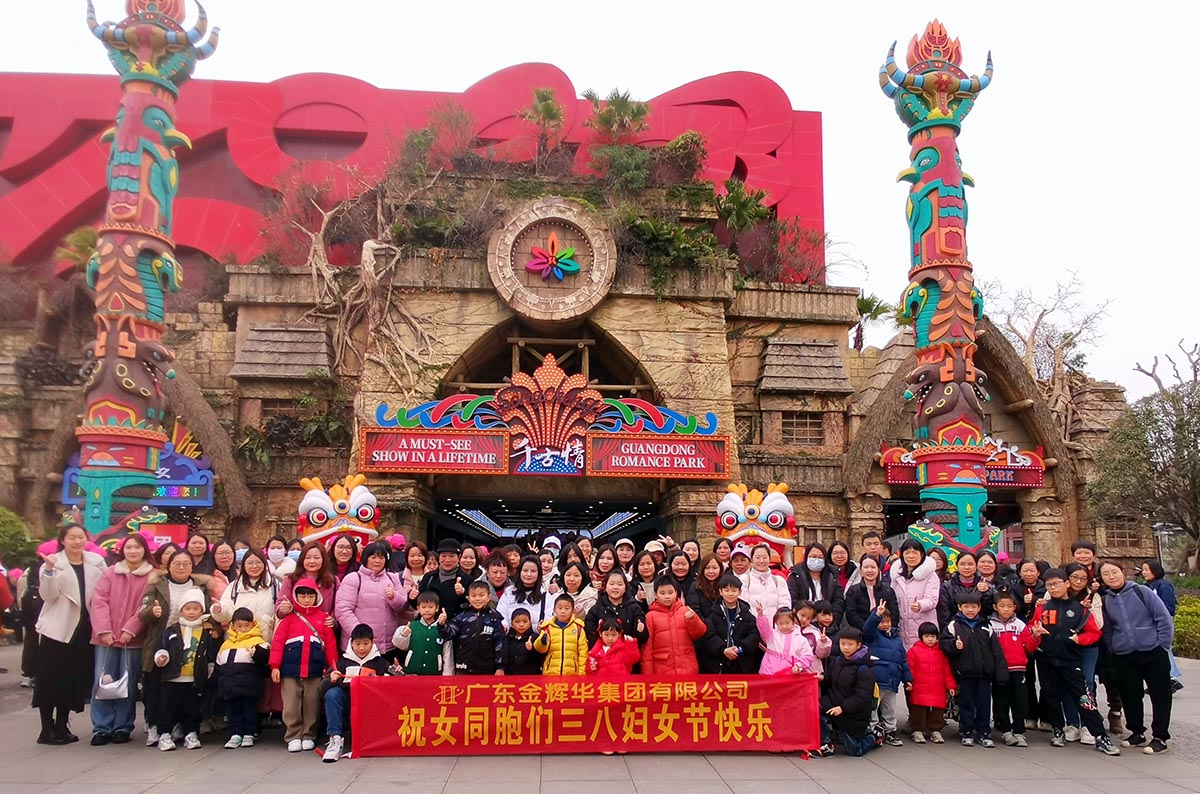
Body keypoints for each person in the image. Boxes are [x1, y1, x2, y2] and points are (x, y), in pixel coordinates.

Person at [1027, 568, 1120, 755]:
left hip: (1071, 660)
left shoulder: (1080, 609)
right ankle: (1058, 730)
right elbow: (1031, 629)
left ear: (1067, 584)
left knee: (1084, 697)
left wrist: (1080, 639)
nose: (1053, 588)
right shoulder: (1042, 608)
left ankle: (1100, 736)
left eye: (1056, 584)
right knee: (1051, 696)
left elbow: (1094, 633)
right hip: (1046, 660)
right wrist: (1035, 634)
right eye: (1049, 585)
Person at [34, 524, 107, 745]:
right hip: (57, 629)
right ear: (62, 540)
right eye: (72, 537)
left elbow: (103, 591)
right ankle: (47, 729)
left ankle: (61, 725)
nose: (77, 541)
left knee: (71, 680)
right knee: (50, 680)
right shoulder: (53, 562)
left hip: (83, 629)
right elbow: (48, 595)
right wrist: (49, 572)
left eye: (80, 537)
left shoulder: (96, 562)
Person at [138, 549, 214, 746]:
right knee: (156, 688)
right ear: (169, 566)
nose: (181, 567)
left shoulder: (200, 587)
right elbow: (142, 612)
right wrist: (152, 612)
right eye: (177, 563)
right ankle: (154, 725)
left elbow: (208, 613)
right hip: (162, 641)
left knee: (185, 689)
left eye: (186, 563)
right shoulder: (157, 585)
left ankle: (181, 727)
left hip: (191, 642)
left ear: (192, 566)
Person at [1099, 561, 1174, 754]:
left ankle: (1160, 736)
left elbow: (1163, 618)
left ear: (1123, 572)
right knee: (1130, 694)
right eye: (1106, 574)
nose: (1111, 576)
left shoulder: (1142, 591)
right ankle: (1137, 732)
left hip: (1152, 650)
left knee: (1160, 694)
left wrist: (1162, 645)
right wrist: (1114, 647)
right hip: (1124, 654)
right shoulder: (1106, 599)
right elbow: (1107, 629)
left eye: (1114, 572)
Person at [89, 533, 154, 745]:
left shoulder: (152, 576)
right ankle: (101, 727)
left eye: (137, 547)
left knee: (128, 682)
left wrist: (131, 629)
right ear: (122, 550)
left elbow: (146, 606)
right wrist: (104, 630)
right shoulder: (110, 572)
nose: (133, 551)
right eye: (129, 547)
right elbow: (98, 602)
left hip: (132, 640)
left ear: (144, 550)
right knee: (103, 680)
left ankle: (122, 726)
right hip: (105, 639)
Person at [270, 579, 336, 752]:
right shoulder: (288, 619)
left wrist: (333, 667)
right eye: (302, 596)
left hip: (315, 670)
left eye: (310, 596)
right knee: (291, 705)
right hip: (290, 671)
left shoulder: (323, 619)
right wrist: (275, 666)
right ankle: (293, 735)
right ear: (295, 597)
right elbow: (278, 643)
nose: (306, 599)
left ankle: (309, 734)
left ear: (317, 597)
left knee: (311, 704)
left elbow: (330, 645)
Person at [151, 588, 218, 751]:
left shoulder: (206, 631)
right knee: (168, 707)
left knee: (192, 708)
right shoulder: (172, 630)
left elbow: (210, 652)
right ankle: (165, 734)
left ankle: (191, 732)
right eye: (188, 608)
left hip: (194, 678)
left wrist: (209, 669)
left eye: (196, 608)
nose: (191, 612)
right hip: (173, 677)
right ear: (181, 610)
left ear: (202, 610)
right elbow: (163, 647)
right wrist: (161, 657)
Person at [940, 590, 1007, 747]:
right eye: (966, 606)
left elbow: (996, 651)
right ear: (959, 607)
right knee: (966, 704)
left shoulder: (986, 626)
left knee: (984, 704)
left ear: (979, 607)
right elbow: (944, 644)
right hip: (965, 673)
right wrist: (954, 645)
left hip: (984, 674)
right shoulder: (953, 626)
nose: (970, 610)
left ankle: (984, 732)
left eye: (973, 607)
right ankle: (967, 731)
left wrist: (1000, 674)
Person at [322, 623, 391, 763]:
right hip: (348, 705)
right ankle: (335, 739)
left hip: (371, 707)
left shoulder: (380, 663)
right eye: (357, 644)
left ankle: (378, 738)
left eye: (366, 643)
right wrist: (331, 680)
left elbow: (396, 685)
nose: (361, 648)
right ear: (351, 643)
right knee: (332, 693)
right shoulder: (343, 663)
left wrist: (395, 674)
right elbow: (321, 689)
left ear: (372, 643)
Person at [336, 540, 410, 658]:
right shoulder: (353, 579)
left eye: (381, 557)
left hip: (389, 646)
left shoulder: (392, 578)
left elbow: (403, 607)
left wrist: (393, 597)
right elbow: (343, 610)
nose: (377, 561)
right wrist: (360, 635)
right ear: (365, 558)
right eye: (373, 557)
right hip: (360, 647)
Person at [819, 627, 879, 757]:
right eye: (843, 643)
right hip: (832, 704)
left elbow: (863, 697)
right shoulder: (836, 661)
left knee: (854, 750)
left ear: (858, 645)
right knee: (817, 709)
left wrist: (843, 708)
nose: (846, 647)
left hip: (852, 713)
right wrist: (823, 678)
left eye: (850, 644)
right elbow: (830, 682)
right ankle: (826, 742)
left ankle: (874, 737)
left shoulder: (864, 669)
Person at [216, 607, 270, 749]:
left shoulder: (258, 641)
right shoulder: (226, 644)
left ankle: (249, 733)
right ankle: (235, 733)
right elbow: (219, 664)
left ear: (253, 624)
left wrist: (257, 653)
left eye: (247, 625)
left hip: (249, 686)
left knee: (249, 710)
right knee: (232, 711)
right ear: (233, 625)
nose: (244, 629)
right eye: (239, 626)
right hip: (229, 686)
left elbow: (264, 661)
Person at [990, 591, 1037, 746]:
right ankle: (1006, 731)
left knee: (1020, 700)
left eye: (1009, 606)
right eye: (1002, 606)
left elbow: (1029, 647)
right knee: (1001, 700)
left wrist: (1035, 637)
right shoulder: (991, 625)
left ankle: (1019, 731)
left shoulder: (1020, 625)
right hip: (999, 670)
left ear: (1014, 607)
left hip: (1018, 668)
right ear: (995, 607)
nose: (1006, 609)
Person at [863, 605, 910, 746]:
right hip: (877, 681)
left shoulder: (897, 641)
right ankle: (873, 730)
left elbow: (903, 661)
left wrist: (907, 679)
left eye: (888, 621)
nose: (885, 625)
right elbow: (868, 628)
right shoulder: (873, 637)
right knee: (873, 708)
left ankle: (890, 731)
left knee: (890, 709)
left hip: (892, 682)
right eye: (882, 622)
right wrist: (876, 615)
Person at [641, 576, 706, 675]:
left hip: (687, 667)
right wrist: (648, 677)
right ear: (655, 595)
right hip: (662, 671)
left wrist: (692, 620)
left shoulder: (685, 611)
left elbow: (700, 633)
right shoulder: (650, 617)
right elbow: (647, 649)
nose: (667, 596)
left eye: (670, 592)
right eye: (662, 593)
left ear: (676, 593)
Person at [906, 621, 956, 744]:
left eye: (933, 636)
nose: (930, 639)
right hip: (919, 687)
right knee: (919, 710)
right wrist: (909, 681)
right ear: (921, 637)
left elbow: (946, 670)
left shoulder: (941, 652)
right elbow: (910, 669)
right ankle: (917, 730)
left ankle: (935, 730)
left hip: (937, 687)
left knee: (937, 711)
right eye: (927, 636)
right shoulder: (914, 651)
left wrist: (950, 686)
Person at [213, 549, 278, 641]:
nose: (254, 566)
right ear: (243, 565)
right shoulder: (234, 587)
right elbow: (227, 612)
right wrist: (220, 610)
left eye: (258, 562)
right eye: (250, 563)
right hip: (238, 641)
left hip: (266, 640)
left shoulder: (275, 586)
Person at [446, 580, 507, 675]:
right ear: (468, 598)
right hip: (463, 668)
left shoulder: (494, 618)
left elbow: (500, 643)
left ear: (489, 597)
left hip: (487, 670)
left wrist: (500, 667)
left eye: (481, 595)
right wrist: (442, 624)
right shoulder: (461, 617)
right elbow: (448, 634)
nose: (477, 599)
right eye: (474, 596)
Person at [890, 539, 941, 649]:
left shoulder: (930, 575)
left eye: (915, 552)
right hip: (902, 628)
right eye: (907, 552)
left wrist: (921, 605)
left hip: (924, 629)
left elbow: (932, 599)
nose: (911, 556)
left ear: (921, 554)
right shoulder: (897, 576)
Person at [1141, 559, 1182, 691]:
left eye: (1147, 569)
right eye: (1143, 570)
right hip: (1148, 624)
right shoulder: (1145, 586)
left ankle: (1170, 678)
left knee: (1163, 650)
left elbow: (1169, 608)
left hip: (1161, 623)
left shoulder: (1163, 586)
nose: (1144, 572)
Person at [277, 542, 337, 629]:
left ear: (324, 559)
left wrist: (333, 619)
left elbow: (338, 606)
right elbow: (279, 604)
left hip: (323, 630)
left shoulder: (333, 581)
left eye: (316, 557)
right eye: (308, 557)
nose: (312, 561)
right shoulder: (291, 580)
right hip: (296, 630)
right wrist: (283, 609)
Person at [393, 590, 450, 675]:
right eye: (423, 607)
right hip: (412, 672)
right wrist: (404, 634)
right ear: (418, 608)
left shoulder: (443, 629)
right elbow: (398, 644)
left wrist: (447, 677)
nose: (427, 610)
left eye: (430, 607)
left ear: (437, 608)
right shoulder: (412, 626)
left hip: (434, 673)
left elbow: (448, 655)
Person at [584, 571, 646, 648]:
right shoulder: (597, 609)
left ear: (625, 588)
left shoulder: (634, 608)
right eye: (612, 584)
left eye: (619, 584)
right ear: (605, 587)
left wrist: (640, 631)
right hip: (603, 652)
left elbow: (642, 637)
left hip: (627, 651)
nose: (615, 587)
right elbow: (590, 632)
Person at [787, 543, 844, 626]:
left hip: (827, 624)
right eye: (813, 557)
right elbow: (792, 599)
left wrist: (831, 621)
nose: (817, 560)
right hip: (802, 623)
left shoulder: (832, 576)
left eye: (820, 557)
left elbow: (838, 602)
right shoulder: (796, 575)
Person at [533, 594, 589, 675]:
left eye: (567, 608)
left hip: (572, 674)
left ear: (572, 611)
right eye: (560, 608)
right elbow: (540, 649)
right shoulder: (547, 627)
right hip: (551, 673)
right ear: (554, 610)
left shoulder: (578, 628)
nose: (563, 611)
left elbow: (583, 652)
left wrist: (581, 673)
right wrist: (542, 642)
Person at [755, 602, 815, 676]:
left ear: (793, 622)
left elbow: (807, 656)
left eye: (787, 623)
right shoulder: (771, 635)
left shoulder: (801, 639)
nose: (784, 626)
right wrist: (761, 615)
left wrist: (799, 665)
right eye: (781, 623)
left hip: (790, 674)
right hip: (769, 672)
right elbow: (764, 628)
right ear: (776, 623)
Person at [843, 555, 900, 631]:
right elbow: (851, 614)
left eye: (873, 567)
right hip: (861, 632)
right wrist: (867, 629)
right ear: (861, 570)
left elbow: (894, 613)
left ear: (878, 569)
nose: (869, 570)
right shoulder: (853, 590)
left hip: (884, 632)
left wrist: (886, 628)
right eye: (866, 567)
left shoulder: (887, 590)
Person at [498, 556, 553, 628]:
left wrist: (541, 628)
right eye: (525, 570)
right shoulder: (508, 593)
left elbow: (549, 620)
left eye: (533, 571)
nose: (528, 574)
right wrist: (504, 627)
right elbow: (501, 616)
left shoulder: (545, 596)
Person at [416, 539, 466, 620]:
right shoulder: (429, 577)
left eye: (452, 556)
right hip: (428, 625)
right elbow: (419, 603)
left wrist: (462, 594)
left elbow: (470, 607)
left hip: (454, 625)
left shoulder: (466, 580)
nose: (447, 560)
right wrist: (412, 597)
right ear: (438, 558)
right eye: (443, 556)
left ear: (459, 557)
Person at [741, 543, 791, 619]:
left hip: (774, 625)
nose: (761, 561)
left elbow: (785, 605)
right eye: (757, 557)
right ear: (751, 560)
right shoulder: (744, 580)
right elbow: (742, 606)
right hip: (751, 624)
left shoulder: (779, 581)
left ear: (769, 559)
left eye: (764, 557)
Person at [938, 551, 984, 627]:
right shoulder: (947, 587)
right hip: (955, 628)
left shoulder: (984, 584)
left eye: (970, 564)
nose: (966, 567)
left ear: (976, 566)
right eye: (962, 564)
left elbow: (988, 609)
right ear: (957, 565)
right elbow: (944, 614)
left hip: (980, 628)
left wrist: (987, 592)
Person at [796, 601, 833, 676]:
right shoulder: (786, 629)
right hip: (791, 669)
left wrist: (823, 643)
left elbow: (821, 655)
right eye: (802, 615)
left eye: (808, 618)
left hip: (810, 671)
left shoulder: (814, 633)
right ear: (795, 612)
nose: (804, 619)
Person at [504, 608, 544, 675]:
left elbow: (541, 659)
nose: (521, 625)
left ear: (530, 623)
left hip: (530, 676)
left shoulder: (535, 638)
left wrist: (531, 650)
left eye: (525, 621)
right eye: (517, 622)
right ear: (512, 624)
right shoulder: (507, 639)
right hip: (510, 676)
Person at [686, 553, 724, 622]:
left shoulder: (724, 585)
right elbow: (694, 610)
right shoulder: (696, 586)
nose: (711, 571)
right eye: (707, 568)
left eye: (715, 568)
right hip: (702, 625)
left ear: (720, 569)